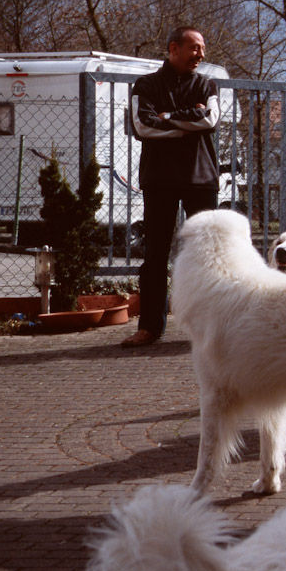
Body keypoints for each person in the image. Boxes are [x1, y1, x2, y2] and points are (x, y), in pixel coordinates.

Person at [120, 26, 220, 347]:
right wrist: (187, 122)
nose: (201, 55)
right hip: (159, 179)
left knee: (207, 255)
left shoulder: (207, 84)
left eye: (202, 48)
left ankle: (210, 329)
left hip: (200, 178)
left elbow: (210, 121)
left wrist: (168, 117)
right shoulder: (146, 85)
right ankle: (149, 327)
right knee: (156, 254)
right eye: (194, 48)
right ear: (173, 48)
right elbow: (141, 125)